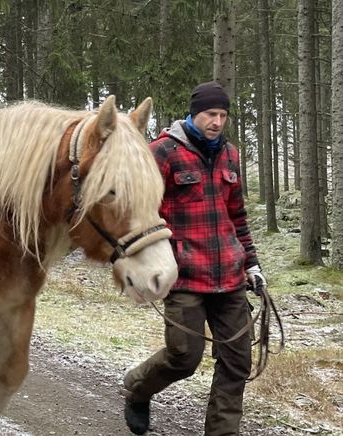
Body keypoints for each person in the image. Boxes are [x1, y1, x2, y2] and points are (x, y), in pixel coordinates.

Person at [122, 81, 266, 436]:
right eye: (210, 114)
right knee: (184, 357)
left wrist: (252, 263)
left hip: (230, 277)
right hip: (184, 275)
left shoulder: (230, 154)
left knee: (237, 362)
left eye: (223, 115)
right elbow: (140, 214)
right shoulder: (162, 153)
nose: (217, 122)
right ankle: (137, 389)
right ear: (193, 114)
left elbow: (238, 216)